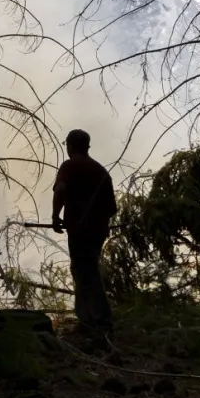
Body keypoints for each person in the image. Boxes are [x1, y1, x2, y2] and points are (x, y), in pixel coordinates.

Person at [52, 129, 118, 335]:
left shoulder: (69, 166)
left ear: (70, 146)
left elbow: (61, 189)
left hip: (79, 230)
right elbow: (112, 208)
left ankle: (102, 323)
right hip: (98, 231)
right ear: (87, 146)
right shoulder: (100, 171)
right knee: (82, 270)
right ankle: (87, 321)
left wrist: (56, 216)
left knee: (87, 272)